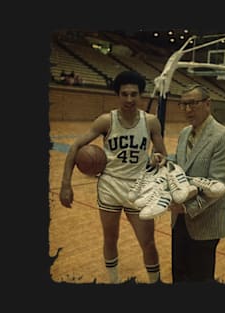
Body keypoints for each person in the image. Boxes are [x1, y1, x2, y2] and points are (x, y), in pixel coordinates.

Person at [59, 70, 167, 284]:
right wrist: (65, 184)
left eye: (133, 94)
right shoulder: (106, 121)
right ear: (117, 95)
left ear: (140, 96)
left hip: (139, 187)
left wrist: (158, 159)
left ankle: (156, 282)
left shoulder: (151, 122)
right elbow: (75, 147)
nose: (129, 99)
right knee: (110, 238)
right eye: (124, 94)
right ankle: (114, 281)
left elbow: (162, 154)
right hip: (110, 187)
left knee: (148, 242)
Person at [169, 84, 225, 283]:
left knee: (199, 279)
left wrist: (185, 206)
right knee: (179, 275)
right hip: (179, 221)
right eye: (183, 105)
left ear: (208, 104)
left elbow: (219, 185)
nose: (187, 110)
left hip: (205, 223)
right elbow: (180, 170)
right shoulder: (183, 134)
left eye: (193, 104)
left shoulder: (223, 136)